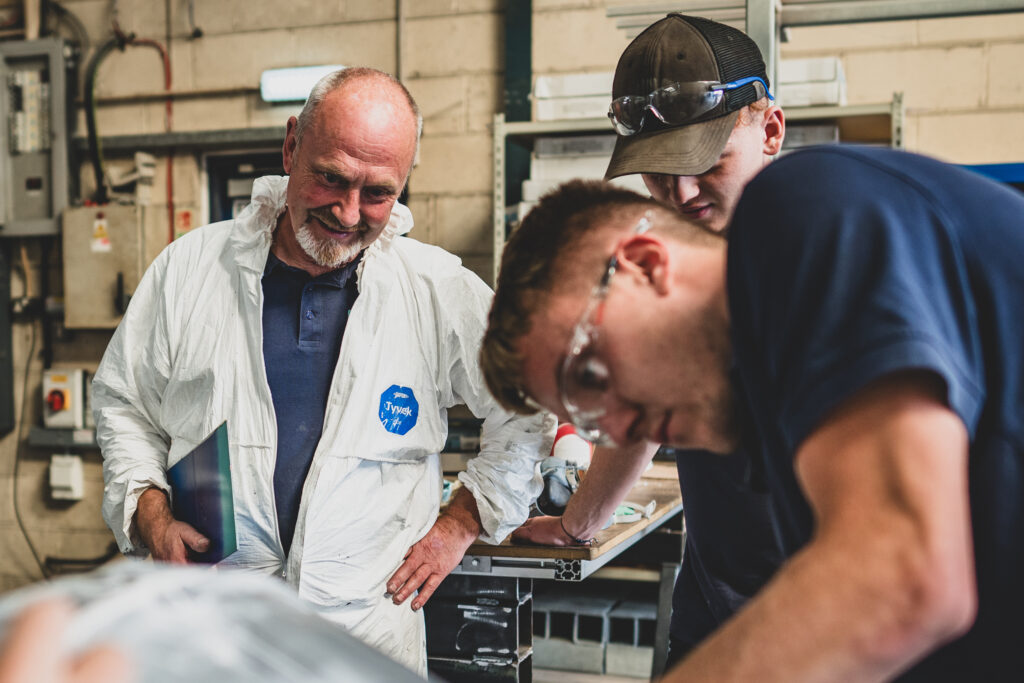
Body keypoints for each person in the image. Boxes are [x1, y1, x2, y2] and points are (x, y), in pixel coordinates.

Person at [480, 145, 1024, 681]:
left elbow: (900, 579)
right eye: (589, 421)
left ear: (645, 266)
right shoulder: (774, 421)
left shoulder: (801, 206)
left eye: (591, 377)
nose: (619, 430)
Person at [93, 67, 554, 674]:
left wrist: (463, 522)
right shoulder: (189, 272)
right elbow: (125, 406)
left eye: (379, 193)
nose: (348, 211)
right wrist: (149, 513)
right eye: (330, 178)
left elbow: (528, 407)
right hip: (218, 628)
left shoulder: (437, 291)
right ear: (291, 147)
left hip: (366, 632)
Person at [509, 13, 788, 663]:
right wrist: (578, 523)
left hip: (819, 618)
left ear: (769, 129)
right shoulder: (675, 258)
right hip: (714, 604)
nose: (682, 193)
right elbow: (638, 414)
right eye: (660, 173)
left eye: (708, 162)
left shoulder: (824, 253)